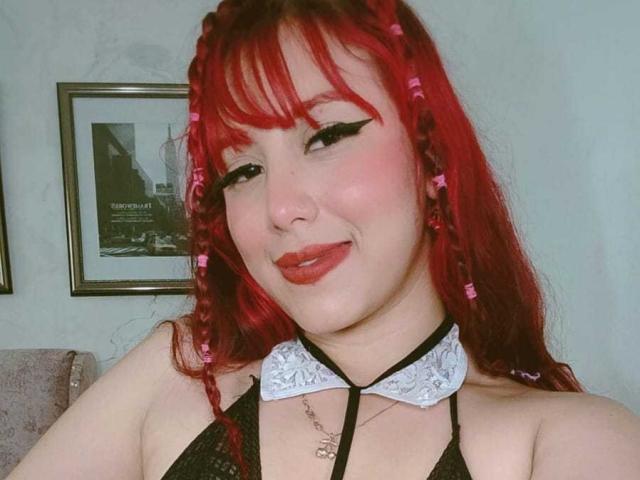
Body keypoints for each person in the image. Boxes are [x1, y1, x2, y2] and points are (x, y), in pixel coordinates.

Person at [8, 1, 640, 479]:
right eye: (242, 170)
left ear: (430, 157)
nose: (281, 209)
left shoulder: (567, 441)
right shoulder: (178, 373)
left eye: (327, 136)